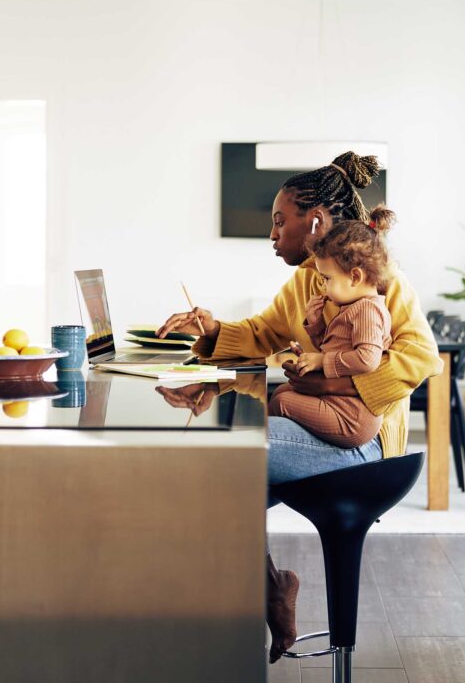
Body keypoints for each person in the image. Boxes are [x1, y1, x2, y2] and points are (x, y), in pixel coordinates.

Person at [156, 151, 442, 662]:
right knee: (212, 475)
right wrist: (213, 329)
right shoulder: (311, 279)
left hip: (363, 443)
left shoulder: (376, 278)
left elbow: (422, 356)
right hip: (322, 426)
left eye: (278, 222)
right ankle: (265, 589)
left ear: (313, 221)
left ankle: (248, 601)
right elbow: (265, 333)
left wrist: (337, 386)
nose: (272, 235)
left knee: (219, 461)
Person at [269, 208, 397, 448]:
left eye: (327, 279)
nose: (324, 286)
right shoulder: (352, 307)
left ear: (355, 277)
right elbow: (334, 347)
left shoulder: (368, 310)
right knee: (281, 392)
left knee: (281, 402)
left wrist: (320, 362)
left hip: (351, 418)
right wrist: (316, 323)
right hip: (338, 405)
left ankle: (285, 449)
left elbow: (368, 359)